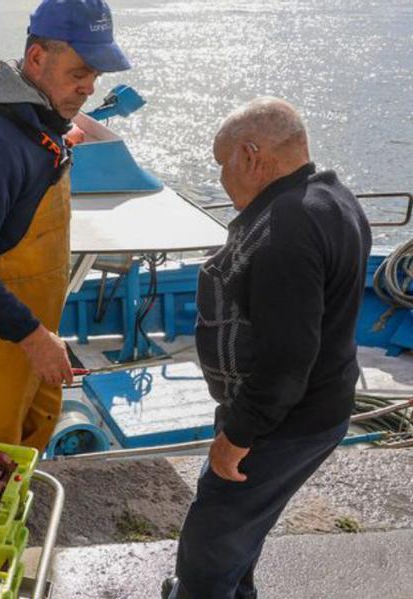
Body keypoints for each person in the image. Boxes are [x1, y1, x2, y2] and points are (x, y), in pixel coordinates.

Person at [163, 97, 370, 599]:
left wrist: (237, 435)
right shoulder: (334, 199)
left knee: (212, 536)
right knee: (241, 529)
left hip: (283, 420)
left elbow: (287, 357)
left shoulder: (286, 228)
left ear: (251, 155)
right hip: (319, 404)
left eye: (222, 164)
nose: (221, 179)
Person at [0, 0, 130, 451]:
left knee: (25, 460)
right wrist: (32, 337)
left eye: (94, 78)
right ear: (37, 58)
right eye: (79, 73)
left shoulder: (42, 126)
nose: (88, 90)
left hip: (29, 345)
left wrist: (36, 341)